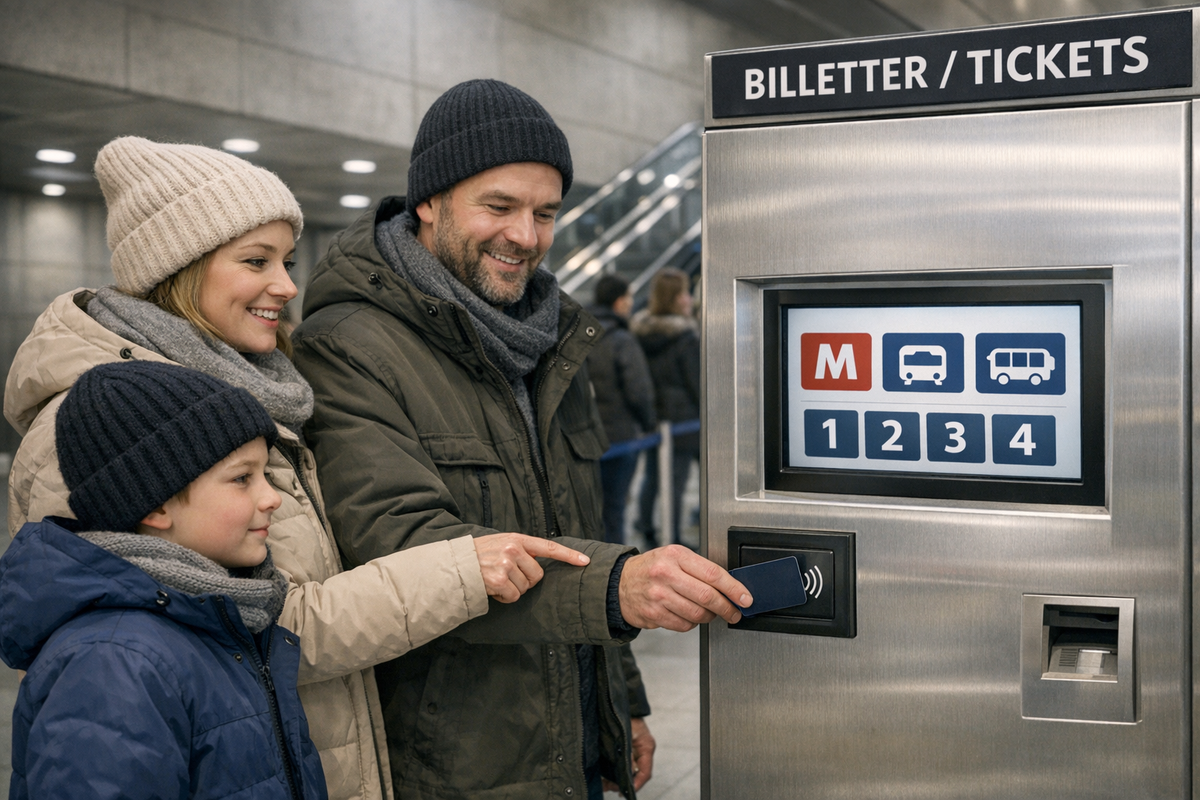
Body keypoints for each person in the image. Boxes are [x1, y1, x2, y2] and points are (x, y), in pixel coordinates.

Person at [2, 136, 591, 800]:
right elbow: (233, 626)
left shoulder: (255, 387)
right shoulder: (96, 422)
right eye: (255, 261)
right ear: (179, 270)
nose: (285, 285)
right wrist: (460, 568)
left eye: (286, 259)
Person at [291, 79, 752, 800]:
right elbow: (405, 544)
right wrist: (616, 588)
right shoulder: (350, 344)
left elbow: (577, 526)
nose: (526, 237)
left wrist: (621, 700)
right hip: (453, 763)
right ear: (430, 202)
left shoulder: (550, 339)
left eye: (545, 213)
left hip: (570, 742)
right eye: (498, 207)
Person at [0, 361, 329, 799]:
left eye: (266, 474)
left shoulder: (221, 620)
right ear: (154, 507)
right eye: (242, 479)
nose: (271, 498)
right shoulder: (113, 663)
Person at [631, 268, 701, 550]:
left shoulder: (640, 333)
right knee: (676, 481)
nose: (688, 299)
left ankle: (646, 526)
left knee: (653, 475)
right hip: (684, 418)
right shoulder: (685, 338)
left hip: (655, 417)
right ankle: (672, 539)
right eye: (683, 293)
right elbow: (696, 382)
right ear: (674, 298)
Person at [585, 274, 656, 545]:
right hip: (619, 436)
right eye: (628, 297)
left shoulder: (576, 333)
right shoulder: (621, 338)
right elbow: (638, 390)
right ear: (618, 301)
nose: (630, 303)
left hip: (582, 439)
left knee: (588, 510)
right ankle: (613, 572)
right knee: (614, 509)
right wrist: (648, 423)